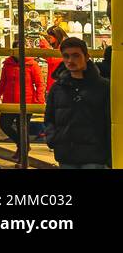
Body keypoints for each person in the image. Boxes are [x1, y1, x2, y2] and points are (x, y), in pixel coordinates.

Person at [43, 37, 110, 169]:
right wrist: (53, 139)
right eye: (66, 56)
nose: (70, 60)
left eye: (75, 56)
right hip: (67, 154)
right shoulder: (57, 88)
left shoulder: (103, 87)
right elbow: (49, 117)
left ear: (86, 57)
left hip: (95, 156)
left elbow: (109, 120)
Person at [0, 45, 44, 155]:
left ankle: (23, 156)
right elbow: (2, 83)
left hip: (26, 103)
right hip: (8, 102)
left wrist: (39, 101)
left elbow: (40, 84)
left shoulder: (32, 64)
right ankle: (22, 145)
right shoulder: (7, 64)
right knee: (4, 125)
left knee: (22, 129)